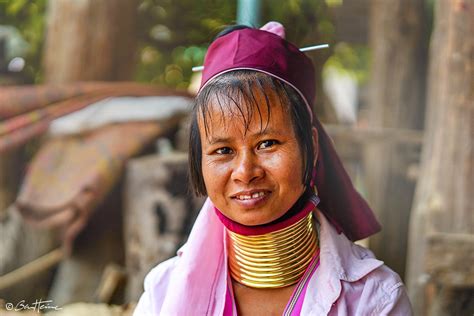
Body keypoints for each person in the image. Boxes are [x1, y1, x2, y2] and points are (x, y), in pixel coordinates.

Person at [134, 21, 412, 315]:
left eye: (267, 144)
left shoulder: (375, 300)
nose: (245, 171)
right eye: (223, 150)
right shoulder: (162, 293)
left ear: (312, 147)